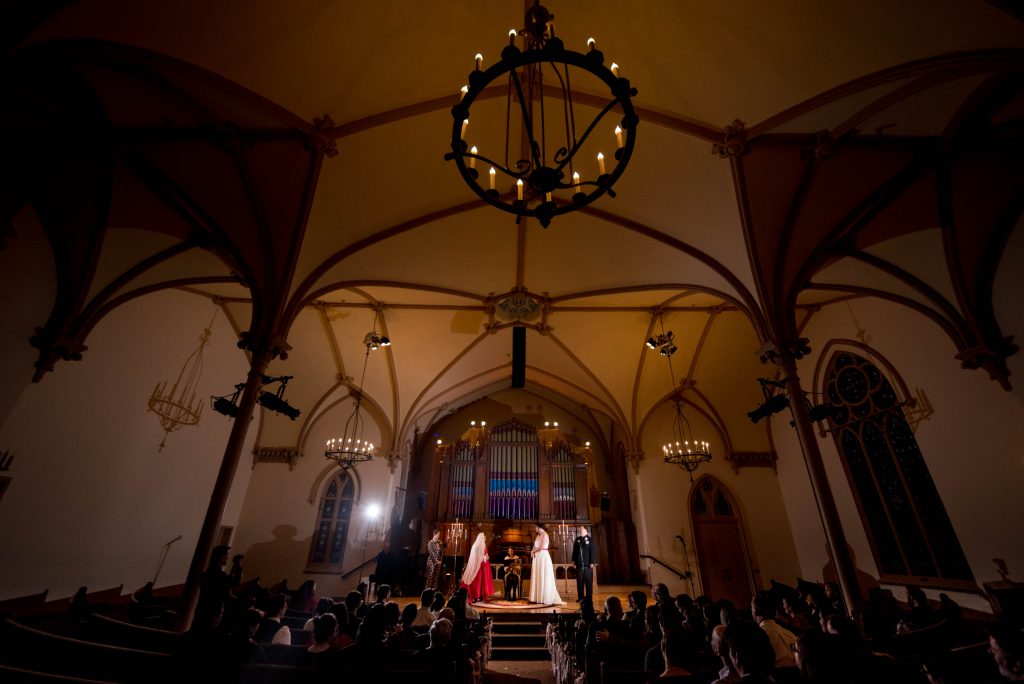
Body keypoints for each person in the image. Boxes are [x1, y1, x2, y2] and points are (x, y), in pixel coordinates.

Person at [529, 522, 563, 605]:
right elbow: (535, 546)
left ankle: (544, 597)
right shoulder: (538, 536)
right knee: (538, 576)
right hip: (537, 558)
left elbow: (541, 547)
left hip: (543, 556)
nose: (535, 529)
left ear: (539, 528)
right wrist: (532, 552)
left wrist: (533, 551)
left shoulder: (545, 535)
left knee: (543, 575)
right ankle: (537, 597)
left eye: (536, 527)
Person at [459, 532, 494, 603]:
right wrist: (484, 558)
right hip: (479, 567)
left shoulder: (479, 545)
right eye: (484, 536)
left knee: (481, 582)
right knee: (479, 582)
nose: (485, 538)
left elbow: (484, 554)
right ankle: (477, 596)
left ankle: (479, 596)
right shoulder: (478, 546)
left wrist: (486, 557)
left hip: (481, 566)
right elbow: (479, 557)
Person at [572, 524, 597, 603]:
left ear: (586, 530)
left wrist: (592, 562)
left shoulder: (590, 540)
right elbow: (575, 551)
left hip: (587, 565)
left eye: (581, 529)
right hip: (579, 565)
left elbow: (592, 551)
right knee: (579, 582)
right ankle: (580, 597)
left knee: (588, 582)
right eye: (580, 529)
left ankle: (589, 598)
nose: (580, 530)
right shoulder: (577, 539)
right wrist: (574, 561)